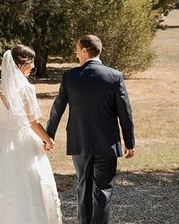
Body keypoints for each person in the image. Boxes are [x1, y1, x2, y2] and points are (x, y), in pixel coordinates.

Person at [0, 44, 63, 224]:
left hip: (3, 140)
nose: (33, 66)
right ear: (21, 64)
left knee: (2, 180)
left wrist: (8, 123)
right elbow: (33, 123)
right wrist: (48, 140)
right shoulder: (26, 88)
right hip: (23, 140)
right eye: (31, 62)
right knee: (28, 181)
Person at [45, 34, 135, 224]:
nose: (76, 54)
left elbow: (57, 108)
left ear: (85, 50)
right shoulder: (114, 76)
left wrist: (49, 135)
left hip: (80, 141)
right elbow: (125, 112)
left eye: (77, 50)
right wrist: (129, 142)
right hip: (107, 143)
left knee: (84, 188)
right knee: (103, 190)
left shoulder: (70, 76)